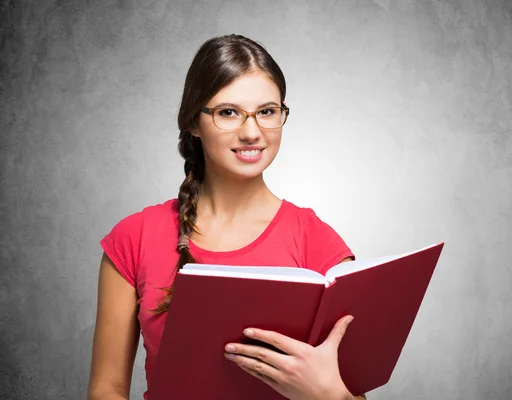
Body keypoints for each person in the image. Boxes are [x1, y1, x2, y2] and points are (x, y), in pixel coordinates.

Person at [87, 34, 367, 400]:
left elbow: (351, 390)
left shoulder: (318, 244)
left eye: (267, 111)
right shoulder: (134, 238)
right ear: (192, 122)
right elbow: (106, 390)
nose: (252, 132)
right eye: (228, 112)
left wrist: (328, 394)